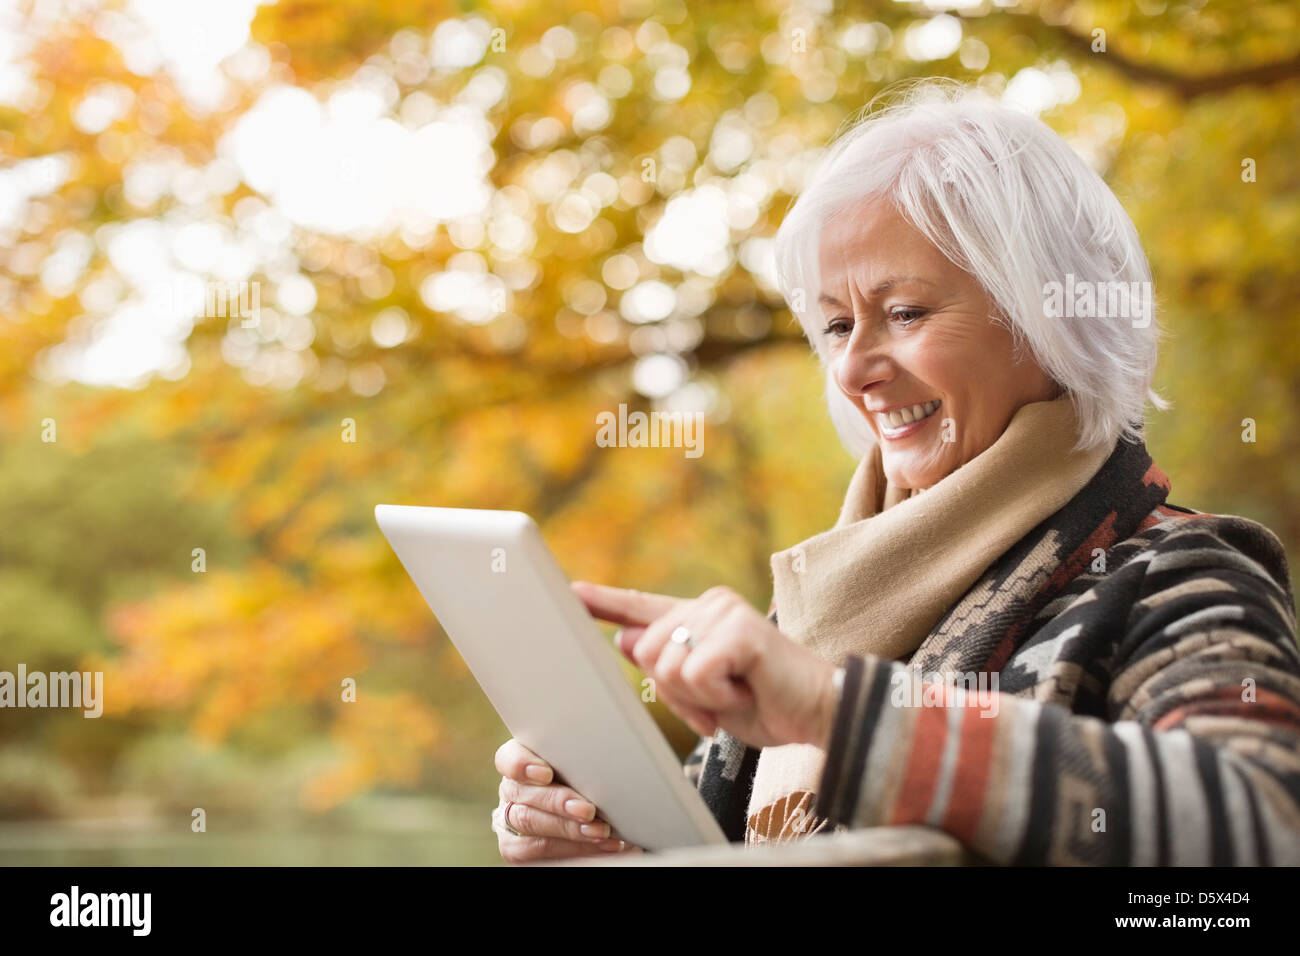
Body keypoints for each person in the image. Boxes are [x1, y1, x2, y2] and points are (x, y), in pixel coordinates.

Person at [492, 80, 1300, 865]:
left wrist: (829, 711)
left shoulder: (1178, 576)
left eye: (905, 312)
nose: (851, 370)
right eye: (837, 325)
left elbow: (1264, 829)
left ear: (1051, 317)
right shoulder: (819, 605)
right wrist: (610, 836)